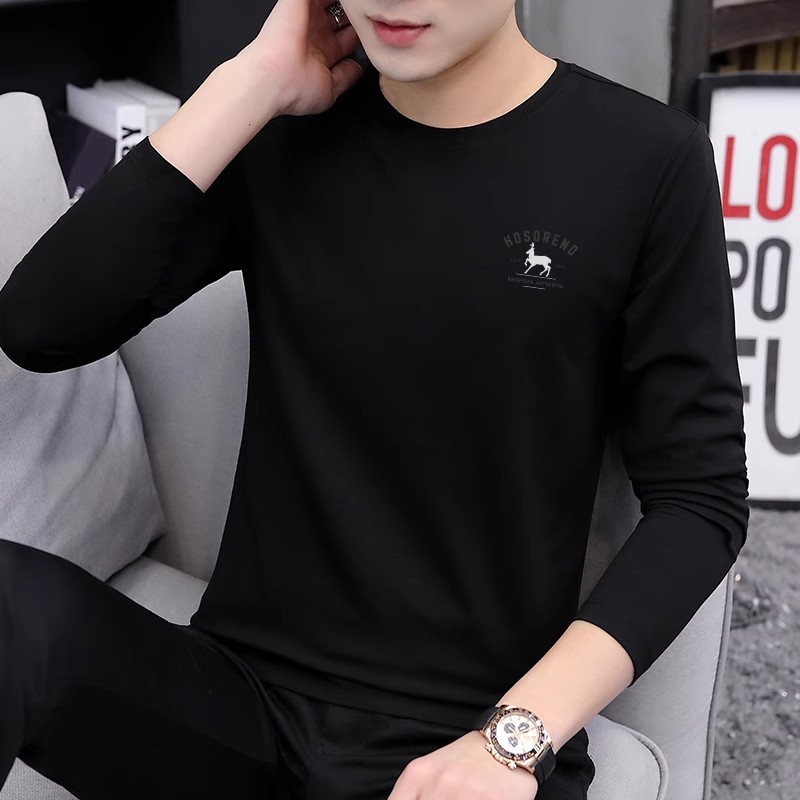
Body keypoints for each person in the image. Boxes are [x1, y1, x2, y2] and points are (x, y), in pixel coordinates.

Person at [0, 0, 750, 798]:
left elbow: (700, 500)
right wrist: (246, 84)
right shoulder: (284, 129)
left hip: (463, 741)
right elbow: (41, 326)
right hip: (236, 707)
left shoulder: (645, 160)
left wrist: (512, 741)